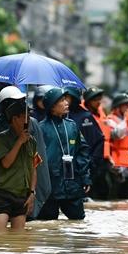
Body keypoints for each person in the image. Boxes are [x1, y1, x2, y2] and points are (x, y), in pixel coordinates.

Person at [0, 86, 51, 222]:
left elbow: (36, 164)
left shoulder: (32, 125)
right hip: (1, 190)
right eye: (17, 101)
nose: (21, 105)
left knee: (19, 237)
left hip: (22, 190)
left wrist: (32, 193)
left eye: (22, 101)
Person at [37, 88, 91, 220]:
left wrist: (85, 177)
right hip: (50, 187)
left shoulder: (72, 126)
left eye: (65, 99)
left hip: (72, 184)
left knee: (78, 221)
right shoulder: (40, 128)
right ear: (52, 107)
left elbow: (82, 151)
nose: (66, 102)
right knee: (47, 225)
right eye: (61, 100)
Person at [0, 100, 39, 230]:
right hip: (2, 193)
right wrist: (19, 141)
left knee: (18, 240)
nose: (28, 120)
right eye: (25, 117)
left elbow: (34, 168)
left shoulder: (31, 141)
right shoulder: (1, 138)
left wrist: (32, 193)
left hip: (21, 196)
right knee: (0, 236)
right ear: (15, 119)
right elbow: (6, 163)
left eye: (29, 117)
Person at [82, 86, 114, 200]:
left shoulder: (101, 112)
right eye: (95, 100)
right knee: (91, 187)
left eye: (99, 99)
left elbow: (105, 136)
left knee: (104, 188)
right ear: (88, 101)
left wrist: (108, 156)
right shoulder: (83, 115)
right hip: (90, 156)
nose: (98, 102)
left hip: (103, 156)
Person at [105, 93, 128, 199]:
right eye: (125, 105)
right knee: (117, 195)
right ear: (118, 107)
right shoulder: (109, 120)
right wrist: (127, 118)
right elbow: (117, 134)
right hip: (117, 164)